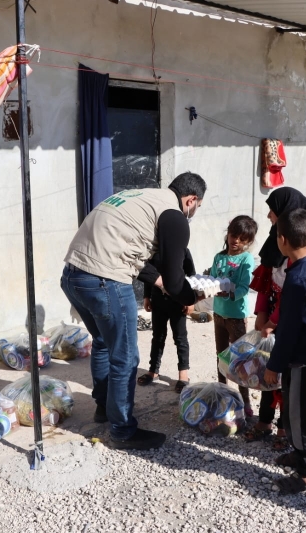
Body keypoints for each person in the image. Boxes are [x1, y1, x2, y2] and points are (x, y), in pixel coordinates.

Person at [61, 172, 206, 450]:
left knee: (104, 342)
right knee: (125, 356)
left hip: (72, 276)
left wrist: (161, 283)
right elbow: (177, 281)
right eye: (197, 206)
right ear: (191, 200)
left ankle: (104, 408)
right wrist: (194, 296)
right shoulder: (174, 215)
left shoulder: (140, 197)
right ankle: (123, 430)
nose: (194, 211)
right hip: (105, 279)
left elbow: (133, 253)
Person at [246, 187, 306, 448]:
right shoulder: (275, 240)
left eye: (273, 209)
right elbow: (266, 278)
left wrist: (274, 320)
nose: (269, 215)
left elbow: (295, 294)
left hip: (289, 318)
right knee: (266, 367)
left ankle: (284, 429)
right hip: (271, 314)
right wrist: (261, 313)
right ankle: (265, 420)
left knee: (283, 374)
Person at [263, 209, 306, 494]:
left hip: (301, 358)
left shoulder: (297, 277)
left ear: (283, 240)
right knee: (301, 411)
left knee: (298, 415)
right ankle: (300, 454)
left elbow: (289, 327)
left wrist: (274, 365)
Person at [210, 215, 258, 417]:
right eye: (233, 235)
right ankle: (222, 395)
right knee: (221, 356)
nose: (236, 241)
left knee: (240, 360)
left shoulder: (246, 259)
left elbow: (244, 287)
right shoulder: (219, 257)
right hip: (219, 315)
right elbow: (212, 279)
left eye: (242, 238)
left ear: (248, 242)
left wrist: (230, 293)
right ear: (227, 234)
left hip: (236, 318)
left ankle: (245, 400)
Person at [137, 249, 196, 393]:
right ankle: (153, 371)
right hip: (158, 302)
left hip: (179, 303)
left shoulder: (184, 251)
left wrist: (190, 300)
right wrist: (146, 297)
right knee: (157, 337)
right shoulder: (153, 252)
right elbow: (149, 275)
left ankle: (183, 375)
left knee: (180, 338)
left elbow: (192, 276)